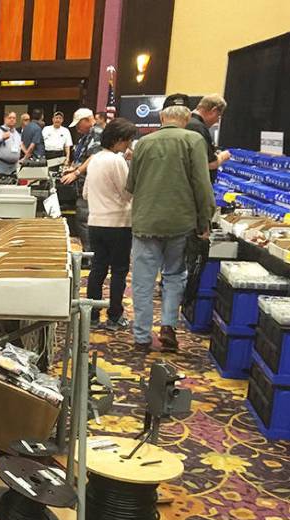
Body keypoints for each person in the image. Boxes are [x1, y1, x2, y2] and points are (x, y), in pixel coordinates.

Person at [126, 104, 215, 353]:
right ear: (186, 120)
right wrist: (204, 219)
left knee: (143, 281)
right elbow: (202, 184)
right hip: (180, 221)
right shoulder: (193, 140)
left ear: (162, 118)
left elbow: (131, 184)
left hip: (145, 221)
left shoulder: (143, 142)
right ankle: (168, 327)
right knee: (175, 275)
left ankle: (142, 337)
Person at [83, 118, 139, 330]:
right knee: (118, 271)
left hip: (95, 222)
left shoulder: (95, 158)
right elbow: (127, 193)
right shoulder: (116, 161)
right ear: (118, 140)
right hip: (118, 223)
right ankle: (114, 316)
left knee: (98, 268)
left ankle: (92, 314)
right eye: (127, 141)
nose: (128, 145)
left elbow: (86, 192)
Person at [60, 108, 104, 254]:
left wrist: (76, 173)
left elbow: (94, 157)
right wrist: (73, 169)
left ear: (86, 120)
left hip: (91, 183)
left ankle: (90, 254)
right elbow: (83, 158)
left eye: (79, 125)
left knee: (84, 218)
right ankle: (89, 251)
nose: (78, 129)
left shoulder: (97, 133)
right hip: (83, 183)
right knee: (82, 218)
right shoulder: (86, 136)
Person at [182, 93, 231, 183]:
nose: (217, 121)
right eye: (218, 116)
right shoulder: (198, 128)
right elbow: (209, 163)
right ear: (214, 110)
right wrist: (223, 156)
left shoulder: (185, 121)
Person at [0, 110, 23, 175]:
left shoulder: (17, 134)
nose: (12, 120)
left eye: (14, 118)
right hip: (0, 164)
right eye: (10, 118)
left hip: (14, 166)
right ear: (5, 119)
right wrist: (2, 138)